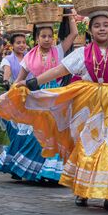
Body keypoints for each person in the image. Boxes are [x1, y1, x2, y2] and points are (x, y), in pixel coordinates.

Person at [0, 0, 108, 213]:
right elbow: (59, 70)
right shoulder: (82, 53)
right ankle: (83, 189)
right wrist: (32, 83)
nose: (101, 28)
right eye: (97, 25)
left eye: (105, 25)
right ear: (90, 31)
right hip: (88, 103)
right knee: (89, 145)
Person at [13, 15, 78, 182]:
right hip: (36, 96)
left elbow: (74, 34)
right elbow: (20, 79)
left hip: (55, 96)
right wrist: (12, 93)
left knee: (55, 130)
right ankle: (29, 169)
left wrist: (70, 16)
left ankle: (50, 172)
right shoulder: (29, 57)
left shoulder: (60, 50)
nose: (47, 39)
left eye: (50, 36)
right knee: (35, 133)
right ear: (36, 38)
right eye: (43, 36)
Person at [0, 33, 46, 180]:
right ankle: (16, 165)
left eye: (23, 42)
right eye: (18, 43)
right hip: (18, 98)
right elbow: (8, 76)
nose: (21, 45)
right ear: (12, 45)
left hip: (33, 97)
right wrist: (9, 87)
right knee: (18, 133)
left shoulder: (31, 56)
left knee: (30, 133)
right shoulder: (8, 60)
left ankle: (25, 165)